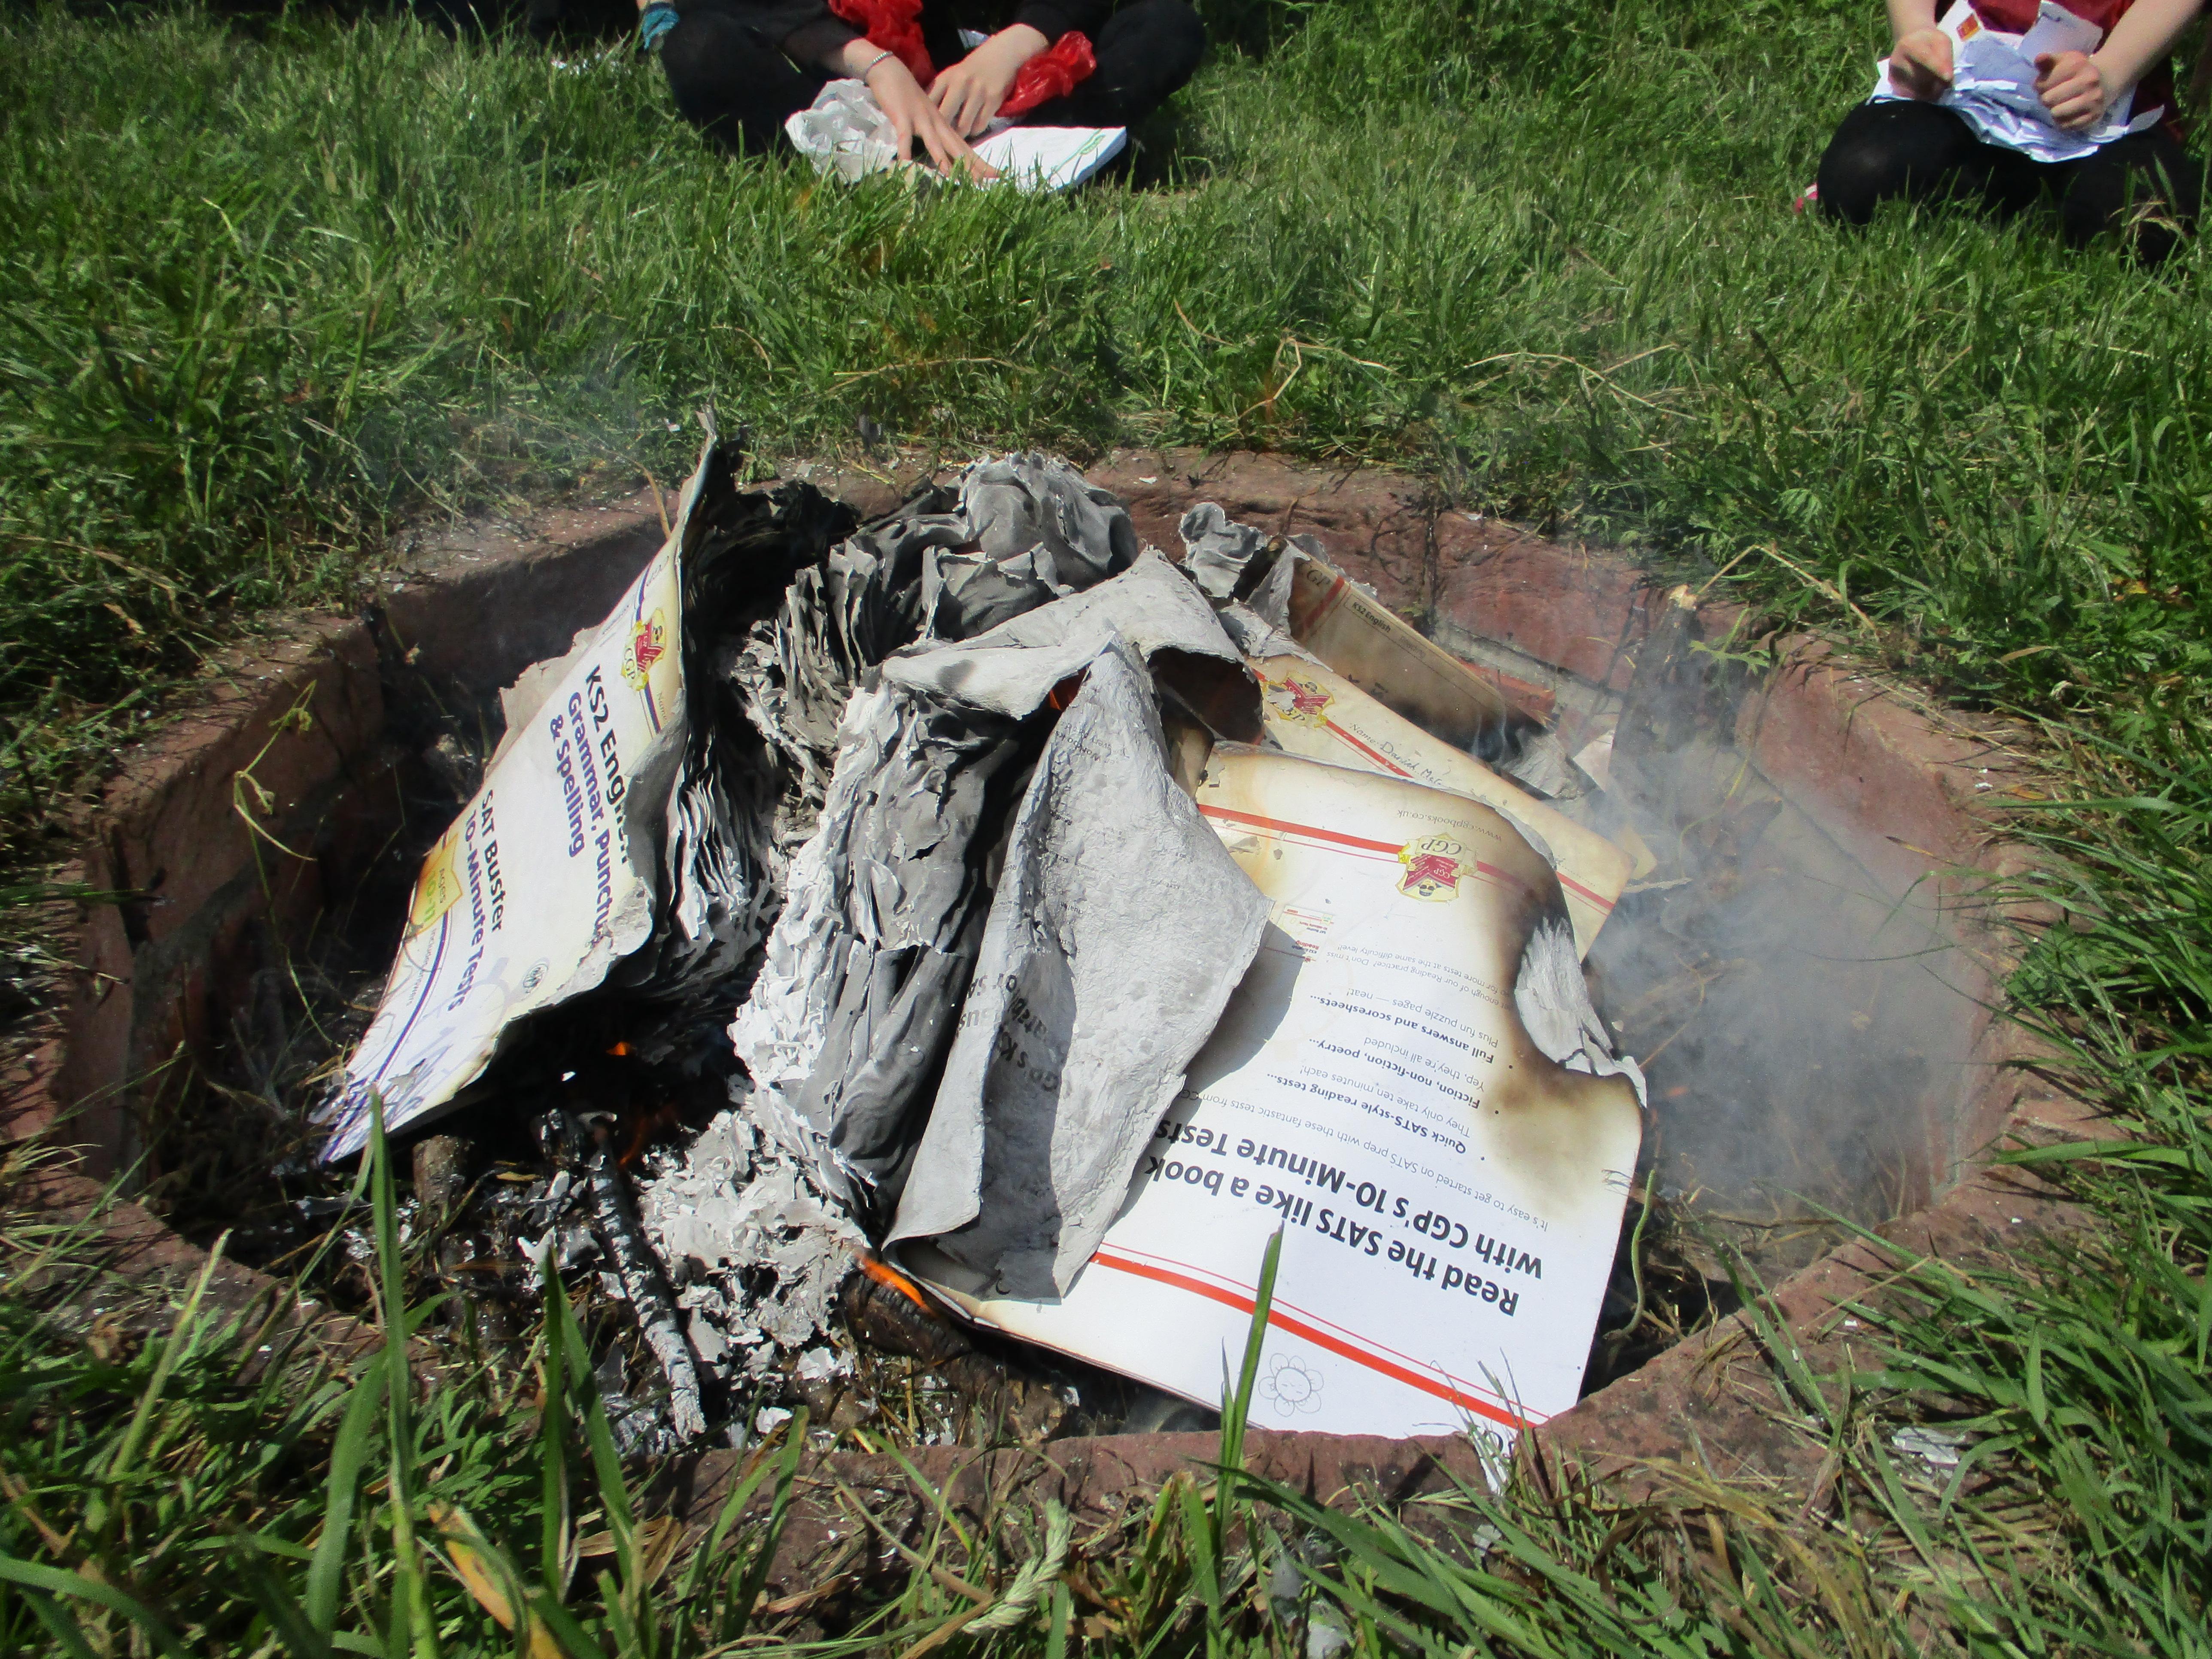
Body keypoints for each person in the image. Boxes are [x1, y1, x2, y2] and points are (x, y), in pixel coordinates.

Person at [1816, 0, 2206, 262]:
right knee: (1858, 179)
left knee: (2149, 233)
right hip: (1964, 84)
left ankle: (2032, 195)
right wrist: (1915, 31)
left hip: (2110, 103)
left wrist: (2108, 74)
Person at [641, 0, 1206, 177]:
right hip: (835, 83)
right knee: (699, 50)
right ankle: (876, 165)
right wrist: (876, 66)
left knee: (1167, 26)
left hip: (979, 84)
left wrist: (1011, 49)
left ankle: (1030, 153)